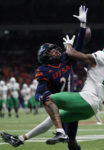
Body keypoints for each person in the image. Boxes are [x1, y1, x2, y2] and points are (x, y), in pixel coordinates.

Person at [1, 5, 88, 150]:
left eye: (55, 49)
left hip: (71, 103)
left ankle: (20, 139)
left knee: (70, 140)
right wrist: (43, 97)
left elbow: (79, 46)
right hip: (60, 105)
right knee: (68, 139)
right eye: (52, 51)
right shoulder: (44, 70)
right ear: (46, 56)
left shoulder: (66, 58)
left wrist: (83, 26)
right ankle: (21, 139)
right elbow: (38, 92)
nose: (56, 51)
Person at [36, 38, 104, 144]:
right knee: (63, 128)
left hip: (87, 98)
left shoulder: (103, 57)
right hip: (95, 107)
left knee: (49, 99)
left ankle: (60, 133)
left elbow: (71, 53)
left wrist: (69, 45)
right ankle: (23, 138)